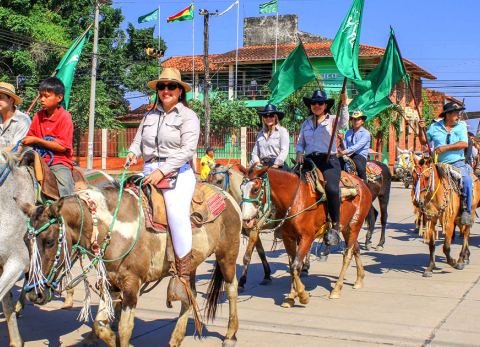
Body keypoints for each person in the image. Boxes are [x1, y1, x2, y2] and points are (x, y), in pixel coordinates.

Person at [127, 68, 200, 302]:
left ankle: (182, 275)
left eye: (171, 86)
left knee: (176, 213)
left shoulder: (188, 116)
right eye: (162, 87)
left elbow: (187, 150)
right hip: (148, 170)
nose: (166, 90)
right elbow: (138, 140)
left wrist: (162, 170)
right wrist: (131, 153)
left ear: (180, 91)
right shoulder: (149, 115)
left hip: (178, 172)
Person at [296, 89, 349, 246]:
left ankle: (335, 225)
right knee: (291, 183)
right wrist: (299, 152)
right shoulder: (305, 123)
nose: (316, 105)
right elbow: (300, 143)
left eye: (320, 103)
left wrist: (344, 104)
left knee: (332, 189)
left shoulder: (333, 120)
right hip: (309, 160)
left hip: (328, 160)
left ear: (325, 105)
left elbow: (345, 124)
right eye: (313, 103)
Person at [418, 102, 472, 225]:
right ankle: (423, 204)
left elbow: (464, 144)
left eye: (459, 113)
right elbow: (423, 141)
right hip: (438, 164)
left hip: (457, 164)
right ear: (447, 114)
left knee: (467, 181)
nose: (458, 116)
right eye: (456, 113)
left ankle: (466, 211)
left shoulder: (461, 126)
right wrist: (421, 129)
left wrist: (445, 148)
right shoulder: (434, 127)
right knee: (422, 178)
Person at [22, 77, 74, 197]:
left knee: (65, 186)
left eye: (46, 96)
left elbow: (62, 147)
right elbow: (30, 137)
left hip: (58, 161)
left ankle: (68, 208)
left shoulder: (65, 117)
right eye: (40, 96)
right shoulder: (38, 116)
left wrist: (36, 140)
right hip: (38, 159)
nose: (42, 100)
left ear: (59, 98)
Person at [251, 103, 290, 170]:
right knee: (248, 178)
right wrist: (257, 163)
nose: (268, 118)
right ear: (263, 119)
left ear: (275, 117)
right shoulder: (260, 134)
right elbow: (255, 153)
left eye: (271, 116)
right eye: (266, 116)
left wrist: (276, 164)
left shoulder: (282, 131)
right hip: (261, 165)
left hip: (277, 164)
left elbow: (284, 150)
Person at [338, 110, 371, 181]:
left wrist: (344, 152)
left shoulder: (366, 133)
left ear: (362, 121)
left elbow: (357, 146)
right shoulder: (348, 132)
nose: (356, 121)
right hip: (348, 155)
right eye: (353, 119)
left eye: (358, 119)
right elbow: (345, 146)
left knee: (359, 166)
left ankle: (365, 183)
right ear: (351, 121)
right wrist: (341, 140)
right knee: (336, 163)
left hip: (360, 156)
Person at [0, 82, 31, 150]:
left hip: (14, 159)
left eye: (0, 97)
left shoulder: (23, 120)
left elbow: (17, 149)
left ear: (11, 100)